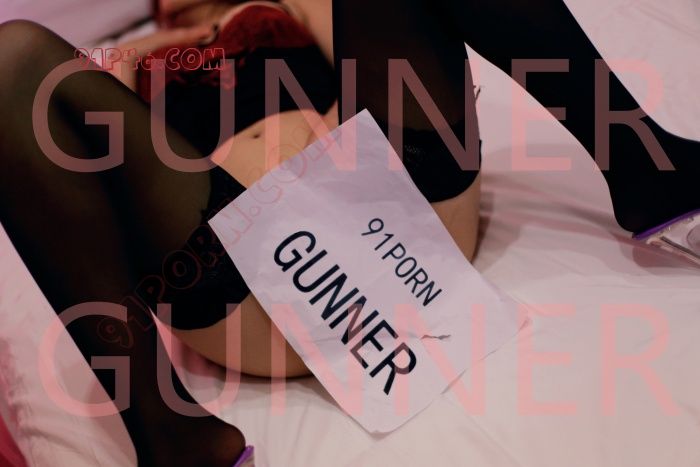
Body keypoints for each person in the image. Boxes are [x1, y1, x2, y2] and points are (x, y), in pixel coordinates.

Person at [0, 0, 695, 464]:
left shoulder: (284, 12)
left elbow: (379, 51)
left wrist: (274, 16)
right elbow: (90, 157)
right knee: (13, 60)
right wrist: (154, 51)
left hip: (393, 209)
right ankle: (169, 434)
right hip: (237, 275)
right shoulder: (134, 64)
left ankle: (646, 168)